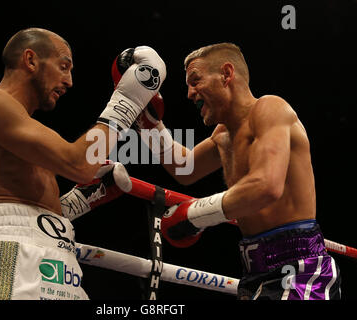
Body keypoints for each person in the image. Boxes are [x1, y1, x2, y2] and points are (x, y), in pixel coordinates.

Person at [0, 27, 166, 300]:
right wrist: (127, 101)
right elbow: (79, 165)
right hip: (8, 248)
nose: (70, 81)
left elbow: (32, 203)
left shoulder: (26, 130)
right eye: (64, 67)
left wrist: (77, 201)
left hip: (59, 254)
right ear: (30, 60)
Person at [122, 43, 341, 300]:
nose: (190, 93)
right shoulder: (224, 134)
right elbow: (184, 168)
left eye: (195, 81)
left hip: (299, 269)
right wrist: (149, 122)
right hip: (254, 271)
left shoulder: (270, 108)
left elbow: (266, 186)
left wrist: (195, 215)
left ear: (226, 74)